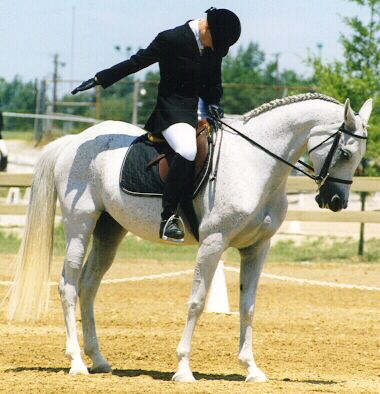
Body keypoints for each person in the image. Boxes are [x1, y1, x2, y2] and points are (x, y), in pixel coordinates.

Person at [72, 7, 241, 242]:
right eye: (215, 43)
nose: (215, 50)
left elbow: (214, 82)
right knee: (187, 149)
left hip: (202, 114)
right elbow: (136, 62)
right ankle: (169, 217)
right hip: (173, 112)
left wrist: (214, 102)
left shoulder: (214, 45)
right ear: (206, 28)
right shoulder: (171, 39)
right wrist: (101, 78)